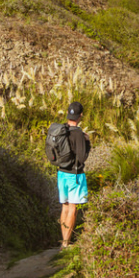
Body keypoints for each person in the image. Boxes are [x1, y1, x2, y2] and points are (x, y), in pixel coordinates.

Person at [58, 101, 91, 248]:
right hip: (75, 175)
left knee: (65, 207)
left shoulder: (62, 130)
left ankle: (64, 241)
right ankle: (66, 243)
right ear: (81, 115)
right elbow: (83, 157)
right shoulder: (78, 134)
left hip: (61, 173)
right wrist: (88, 142)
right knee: (73, 208)